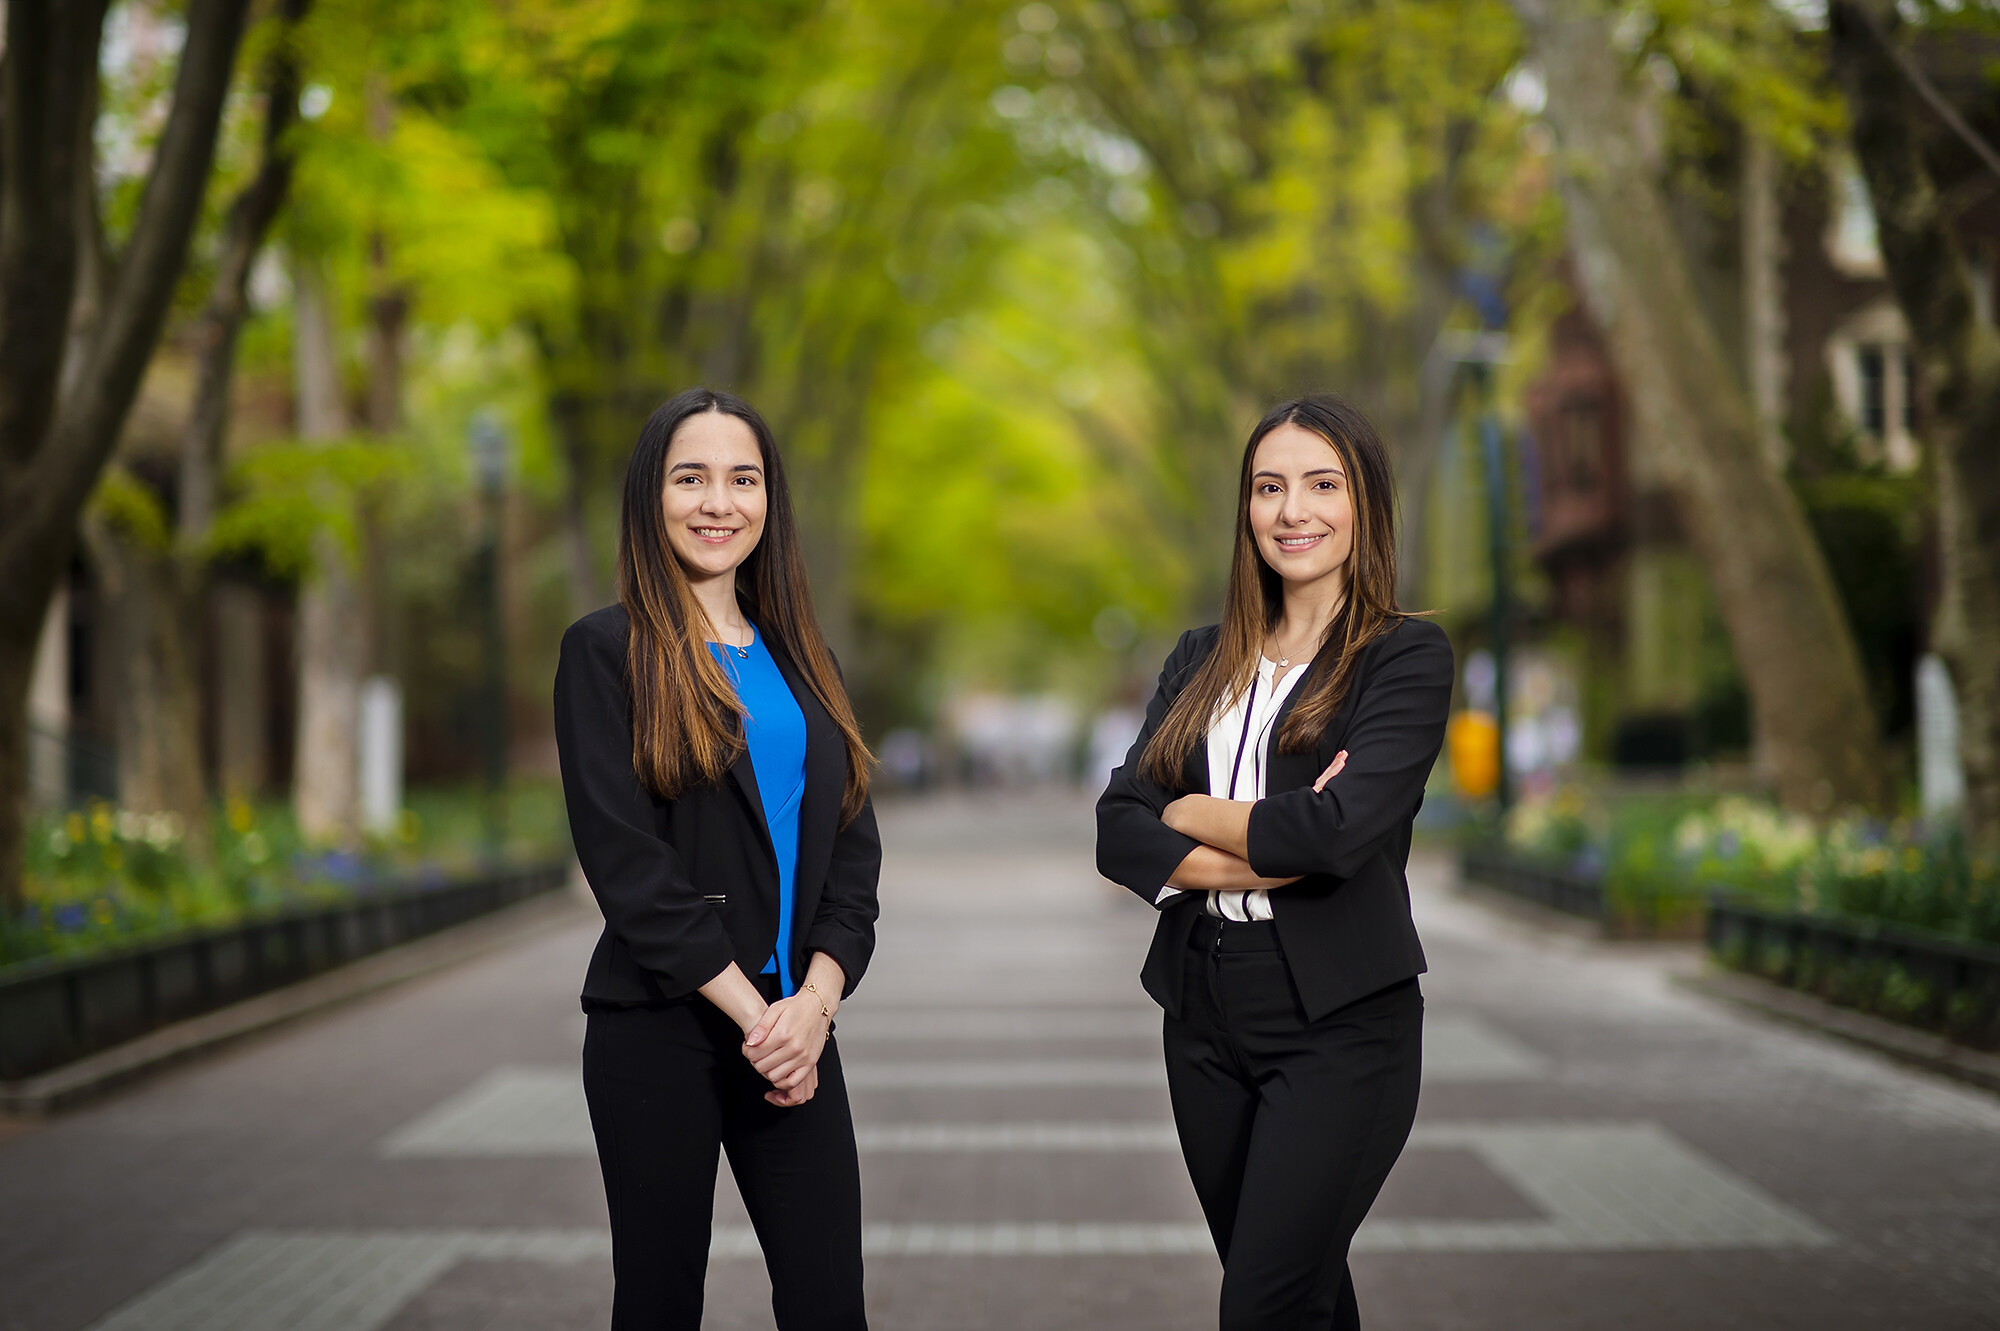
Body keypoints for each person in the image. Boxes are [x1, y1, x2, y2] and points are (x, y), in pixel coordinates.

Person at [1095, 394, 1453, 1330]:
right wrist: (1258, 841)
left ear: (1364, 502)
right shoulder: (1200, 658)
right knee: (1305, 1295)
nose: (1293, 510)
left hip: (1339, 1019)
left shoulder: (1403, 656)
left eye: (1321, 484)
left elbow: (1333, 835)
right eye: (1269, 487)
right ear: (1246, 509)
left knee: (1262, 1303)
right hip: (1203, 1008)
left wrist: (1187, 808)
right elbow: (1117, 827)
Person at [553, 387, 879, 1330]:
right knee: (659, 1304)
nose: (717, 502)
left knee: (830, 1305)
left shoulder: (806, 658)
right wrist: (760, 1018)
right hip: (661, 1026)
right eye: (689, 477)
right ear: (650, 499)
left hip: (795, 1024)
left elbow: (853, 860)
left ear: (769, 501)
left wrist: (811, 1009)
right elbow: (630, 871)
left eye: (743, 479)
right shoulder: (605, 650)